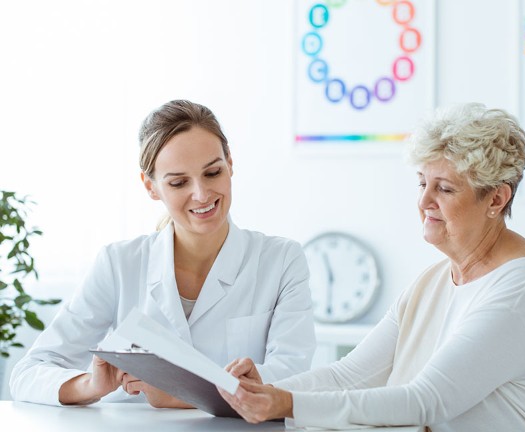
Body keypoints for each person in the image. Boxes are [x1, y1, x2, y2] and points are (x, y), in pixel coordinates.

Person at [218, 103, 525, 431]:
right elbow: (352, 375)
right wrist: (262, 390)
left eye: (445, 189)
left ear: (496, 198)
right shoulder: (434, 281)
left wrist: (286, 403)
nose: (423, 201)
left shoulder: (522, 290)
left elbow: (426, 401)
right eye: (422, 183)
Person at [9, 99, 316, 407]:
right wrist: (90, 385)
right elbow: (28, 374)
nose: (201, 194)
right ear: (151, 186)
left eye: (212, 173)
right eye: (179, 182)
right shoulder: (119, 264)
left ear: (230, 164)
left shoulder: (281, 260)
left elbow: (294, 379)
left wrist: (177, 394)